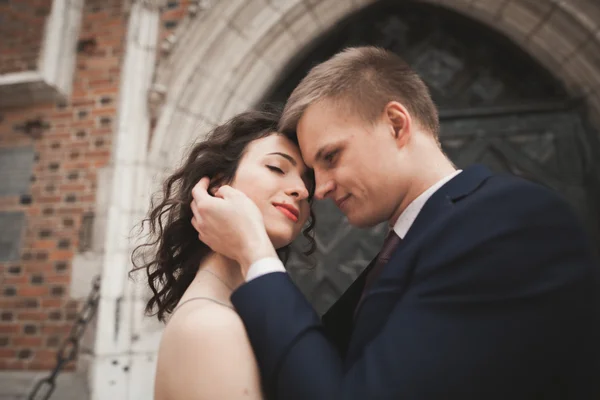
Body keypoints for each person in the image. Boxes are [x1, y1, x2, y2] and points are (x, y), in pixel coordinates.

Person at [190, 47, 600, 399]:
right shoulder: (406, 248)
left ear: (396, 124)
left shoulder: (509, 225)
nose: (318, 191)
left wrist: (257, 256)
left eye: (330, 158)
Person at [131, 110, 316, 400]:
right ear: (218, 184)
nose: (302, 191)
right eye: (277, 168)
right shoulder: (211, 327)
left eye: (309, 183)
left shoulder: (235, 315)